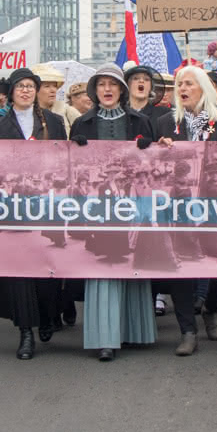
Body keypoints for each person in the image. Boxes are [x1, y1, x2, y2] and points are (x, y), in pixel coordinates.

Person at [149, 65, 217, 356]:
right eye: (180, 84)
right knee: (182, 267)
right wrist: (160, 148)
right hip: (179, 204)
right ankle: (187, 330)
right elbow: (155, 167)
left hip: (215, 200)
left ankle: (211, 308)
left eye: (189, 83)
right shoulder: (167, 121)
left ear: (203, 87)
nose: (183, 88)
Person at [69, 65, 157, 361]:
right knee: (103, 266)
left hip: (132, 204)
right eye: (101, 85)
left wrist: (149, 148)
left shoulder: (141, 120)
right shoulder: (81, 123)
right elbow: (71, 171)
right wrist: (75, 149)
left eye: (113, 84)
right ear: (95, 91)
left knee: (130, 262)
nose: (107, 89)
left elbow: (155, 166)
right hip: (99, 207)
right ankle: (105, 337)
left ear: (122, 89)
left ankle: (134, 331)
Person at [0, 68, 68, 359]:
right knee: (19, 272)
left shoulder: (54, 122)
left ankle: (47, 316)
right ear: (11, 92)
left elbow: (66, 160)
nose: (26, 91)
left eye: (31, 86)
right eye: (20, 86)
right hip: (13, 209)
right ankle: (25, 333)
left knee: (47, 267)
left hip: (47, 207)